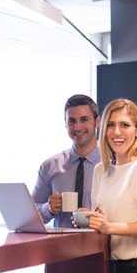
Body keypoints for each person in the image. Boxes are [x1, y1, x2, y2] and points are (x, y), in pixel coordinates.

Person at [76, 98, 137, 273]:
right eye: (111, 125)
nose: (116, 132)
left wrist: (108, 227)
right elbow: (104, 219)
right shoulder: (101, 170)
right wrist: (90, 219)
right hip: (108, 265)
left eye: (125, 125)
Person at [32, 94, 100, 228]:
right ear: (65, 124)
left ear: (97, 121)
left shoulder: (113, 163)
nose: (77, 127)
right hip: (60, 248)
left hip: (104, 246)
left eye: (84, 119)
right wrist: (49, 208)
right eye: (72, 121)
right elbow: (30, 215)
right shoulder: (49, 166)